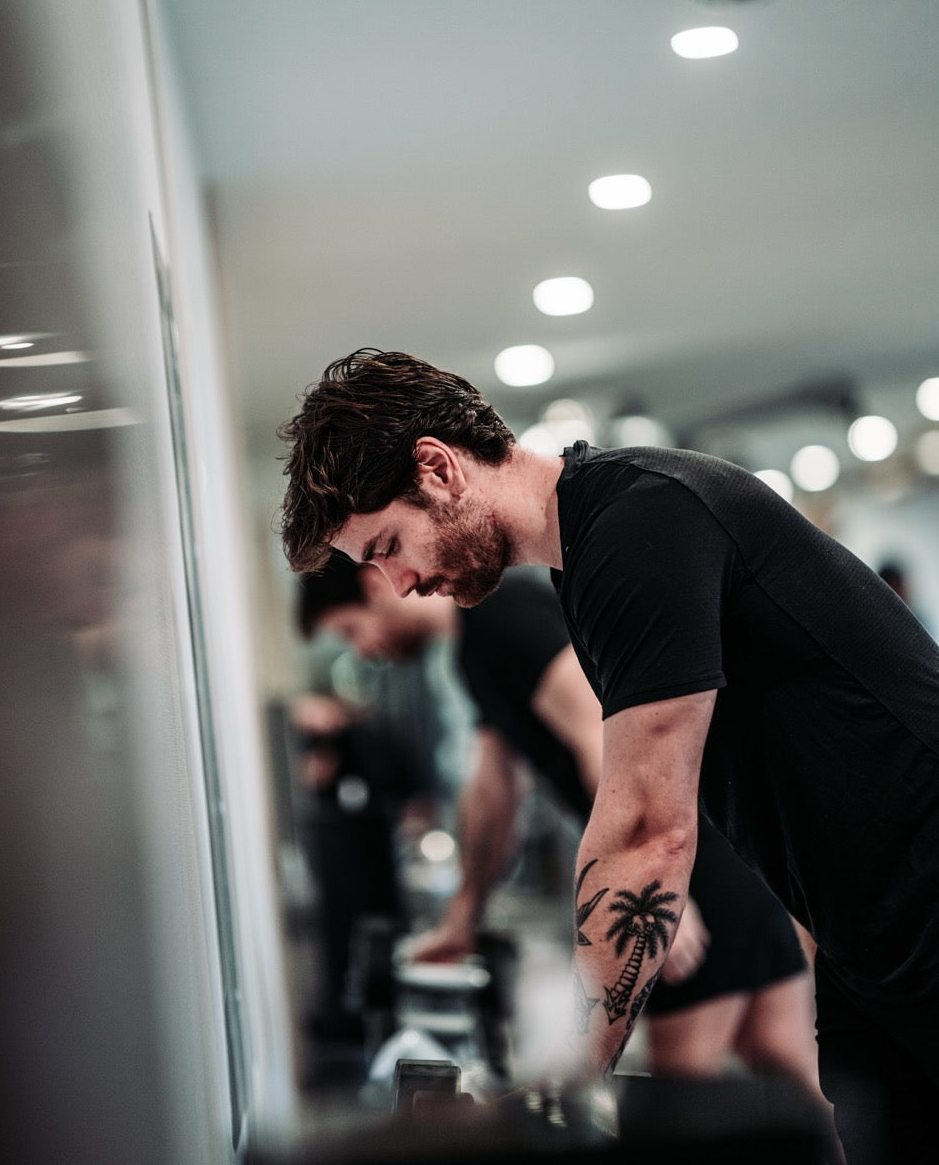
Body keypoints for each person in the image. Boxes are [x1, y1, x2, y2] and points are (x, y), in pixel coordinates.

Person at [279, 349, 939, 1165]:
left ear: (438, 468)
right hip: (864, 929)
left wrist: (563, 1080)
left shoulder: (638, 524)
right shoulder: (590, 557)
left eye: (387, 545)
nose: (400, 581)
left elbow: (644, 831)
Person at [299, 555, 821, 1089]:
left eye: (350, 630)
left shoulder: (501, 616)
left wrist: (658, 881)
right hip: (716, 852)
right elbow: (494, 795)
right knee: (795, 1085)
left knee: (684, 1110)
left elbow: (598, 731)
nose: (362, 650)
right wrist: (462, 917)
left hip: (694, 865)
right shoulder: (474, 649)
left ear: (373, 586)